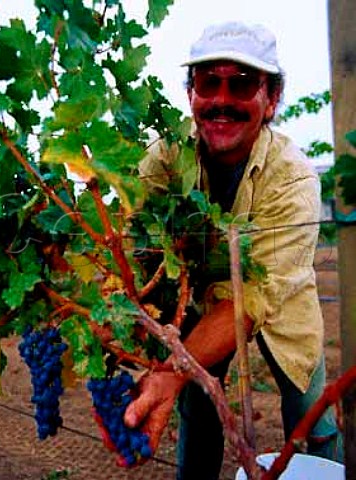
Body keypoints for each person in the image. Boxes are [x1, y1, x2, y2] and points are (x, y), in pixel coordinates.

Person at [124, 21, 343, 479]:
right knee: (199, 406)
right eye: (209, 82)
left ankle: (322, 463)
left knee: (309, 411)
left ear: (271, 100)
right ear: (191, 94)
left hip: (282, 300)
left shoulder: (295, 178)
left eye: (242, 84)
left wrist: (169, 370)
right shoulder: (163, 158)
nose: (222, 99)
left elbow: (257, 297)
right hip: (206, 307)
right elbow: (131, 243)